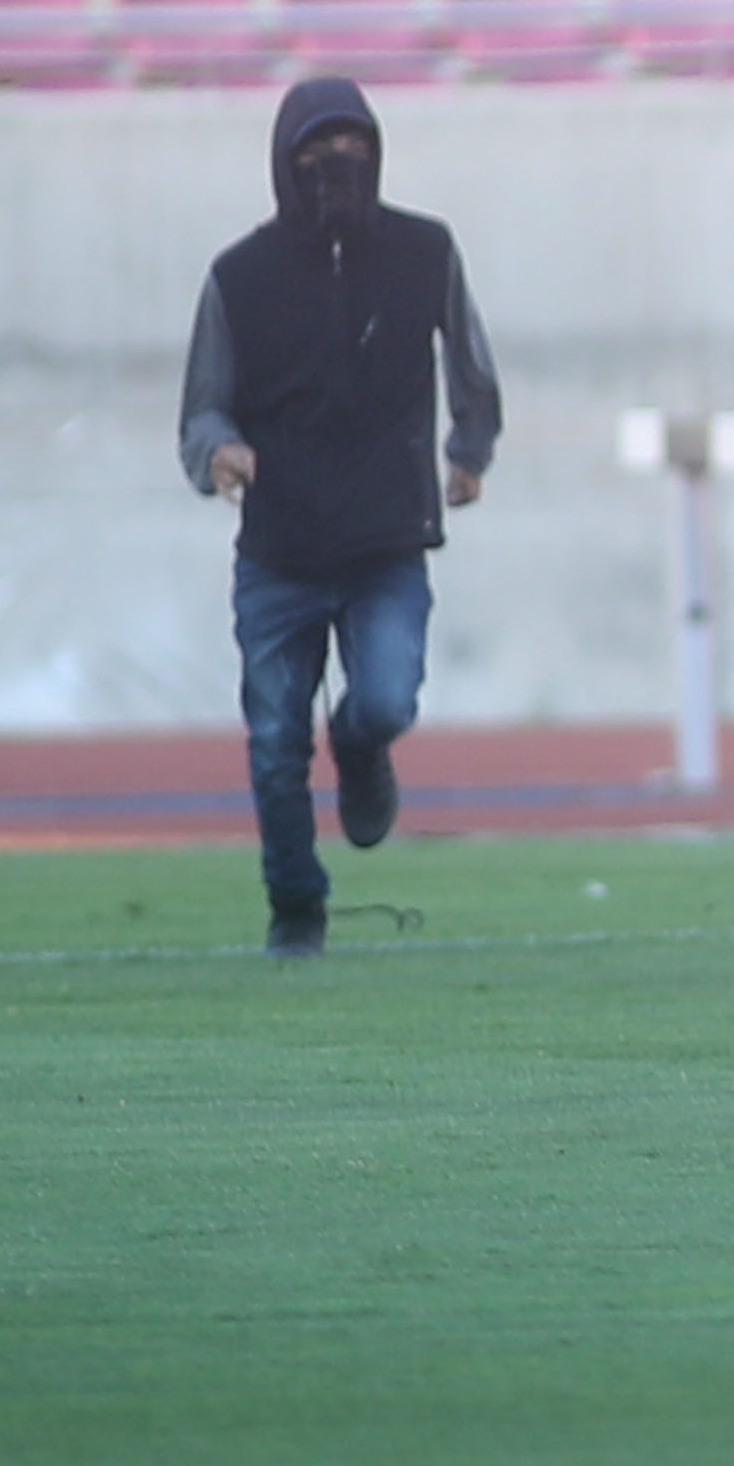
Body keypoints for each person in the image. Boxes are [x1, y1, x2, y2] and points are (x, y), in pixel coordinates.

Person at [180, 76, 500, 955]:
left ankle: (362, 749)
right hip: (280, 549)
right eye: (317, 155)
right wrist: (219, 455)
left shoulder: (423, 252)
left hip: (385, 541)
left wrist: (469, 451)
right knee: (275, 741)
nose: (337, 169)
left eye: (353, 149)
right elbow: (202, 406)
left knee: (388, 696)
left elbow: (472, 363)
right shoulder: (238, 277)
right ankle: (296, 908)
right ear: (285, 166)